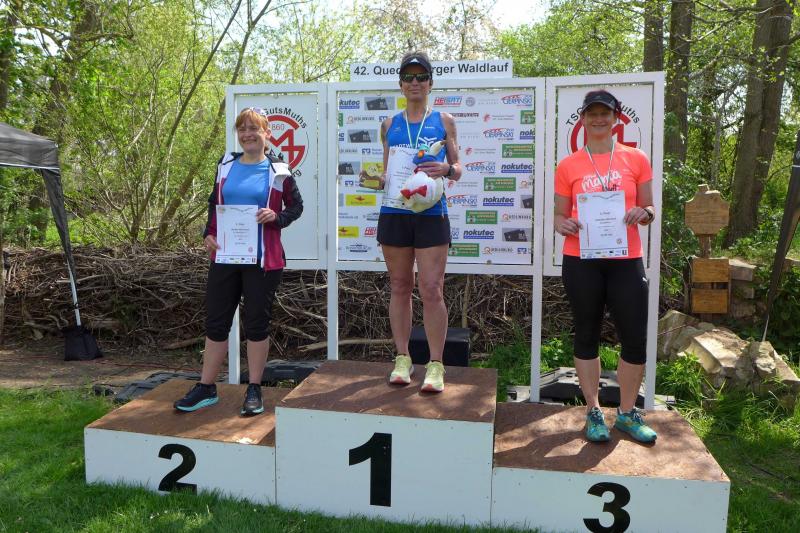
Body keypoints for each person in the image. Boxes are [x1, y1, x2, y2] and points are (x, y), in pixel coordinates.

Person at [175, 107, 303, 415]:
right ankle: (206, 387)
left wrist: (276, 217)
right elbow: (214, 204)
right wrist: (208, 233)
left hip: (263, 260)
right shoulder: (225, 165)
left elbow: (296, 207)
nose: (247, 134)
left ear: (266, 133)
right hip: (226, 255)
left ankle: (254, 388)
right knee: (216, 322)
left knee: (257, 324)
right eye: (242, 129)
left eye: (254, 129)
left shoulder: (279, 171)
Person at [554, 89, 657, 443]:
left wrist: (643, 213)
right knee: (586, 332)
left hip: (626, 259)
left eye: (605, 113)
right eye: (592, 113)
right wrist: (563, 224)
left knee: (635, 337)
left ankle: (627, 413)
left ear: (616, 119)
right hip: (581, 259)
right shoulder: (568, 165)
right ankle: (594, 411)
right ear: (583, 118)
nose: (599, 119)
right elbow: (558, 214)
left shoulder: (636, 158)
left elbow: (650, 208)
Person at [360, 51, 461, 392]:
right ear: (401, 84)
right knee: (400, 286)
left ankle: (436, 364)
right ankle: (402, 358)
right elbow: (386, 173)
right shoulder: (389, 125)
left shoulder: (444, 121)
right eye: (409, 77)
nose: (415, 82)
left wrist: (447, 169)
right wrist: (373, 179)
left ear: (430, 83)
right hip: (395, 212)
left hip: (431, 213)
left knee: (431, 288)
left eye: (421, 77)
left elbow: (458, 169)